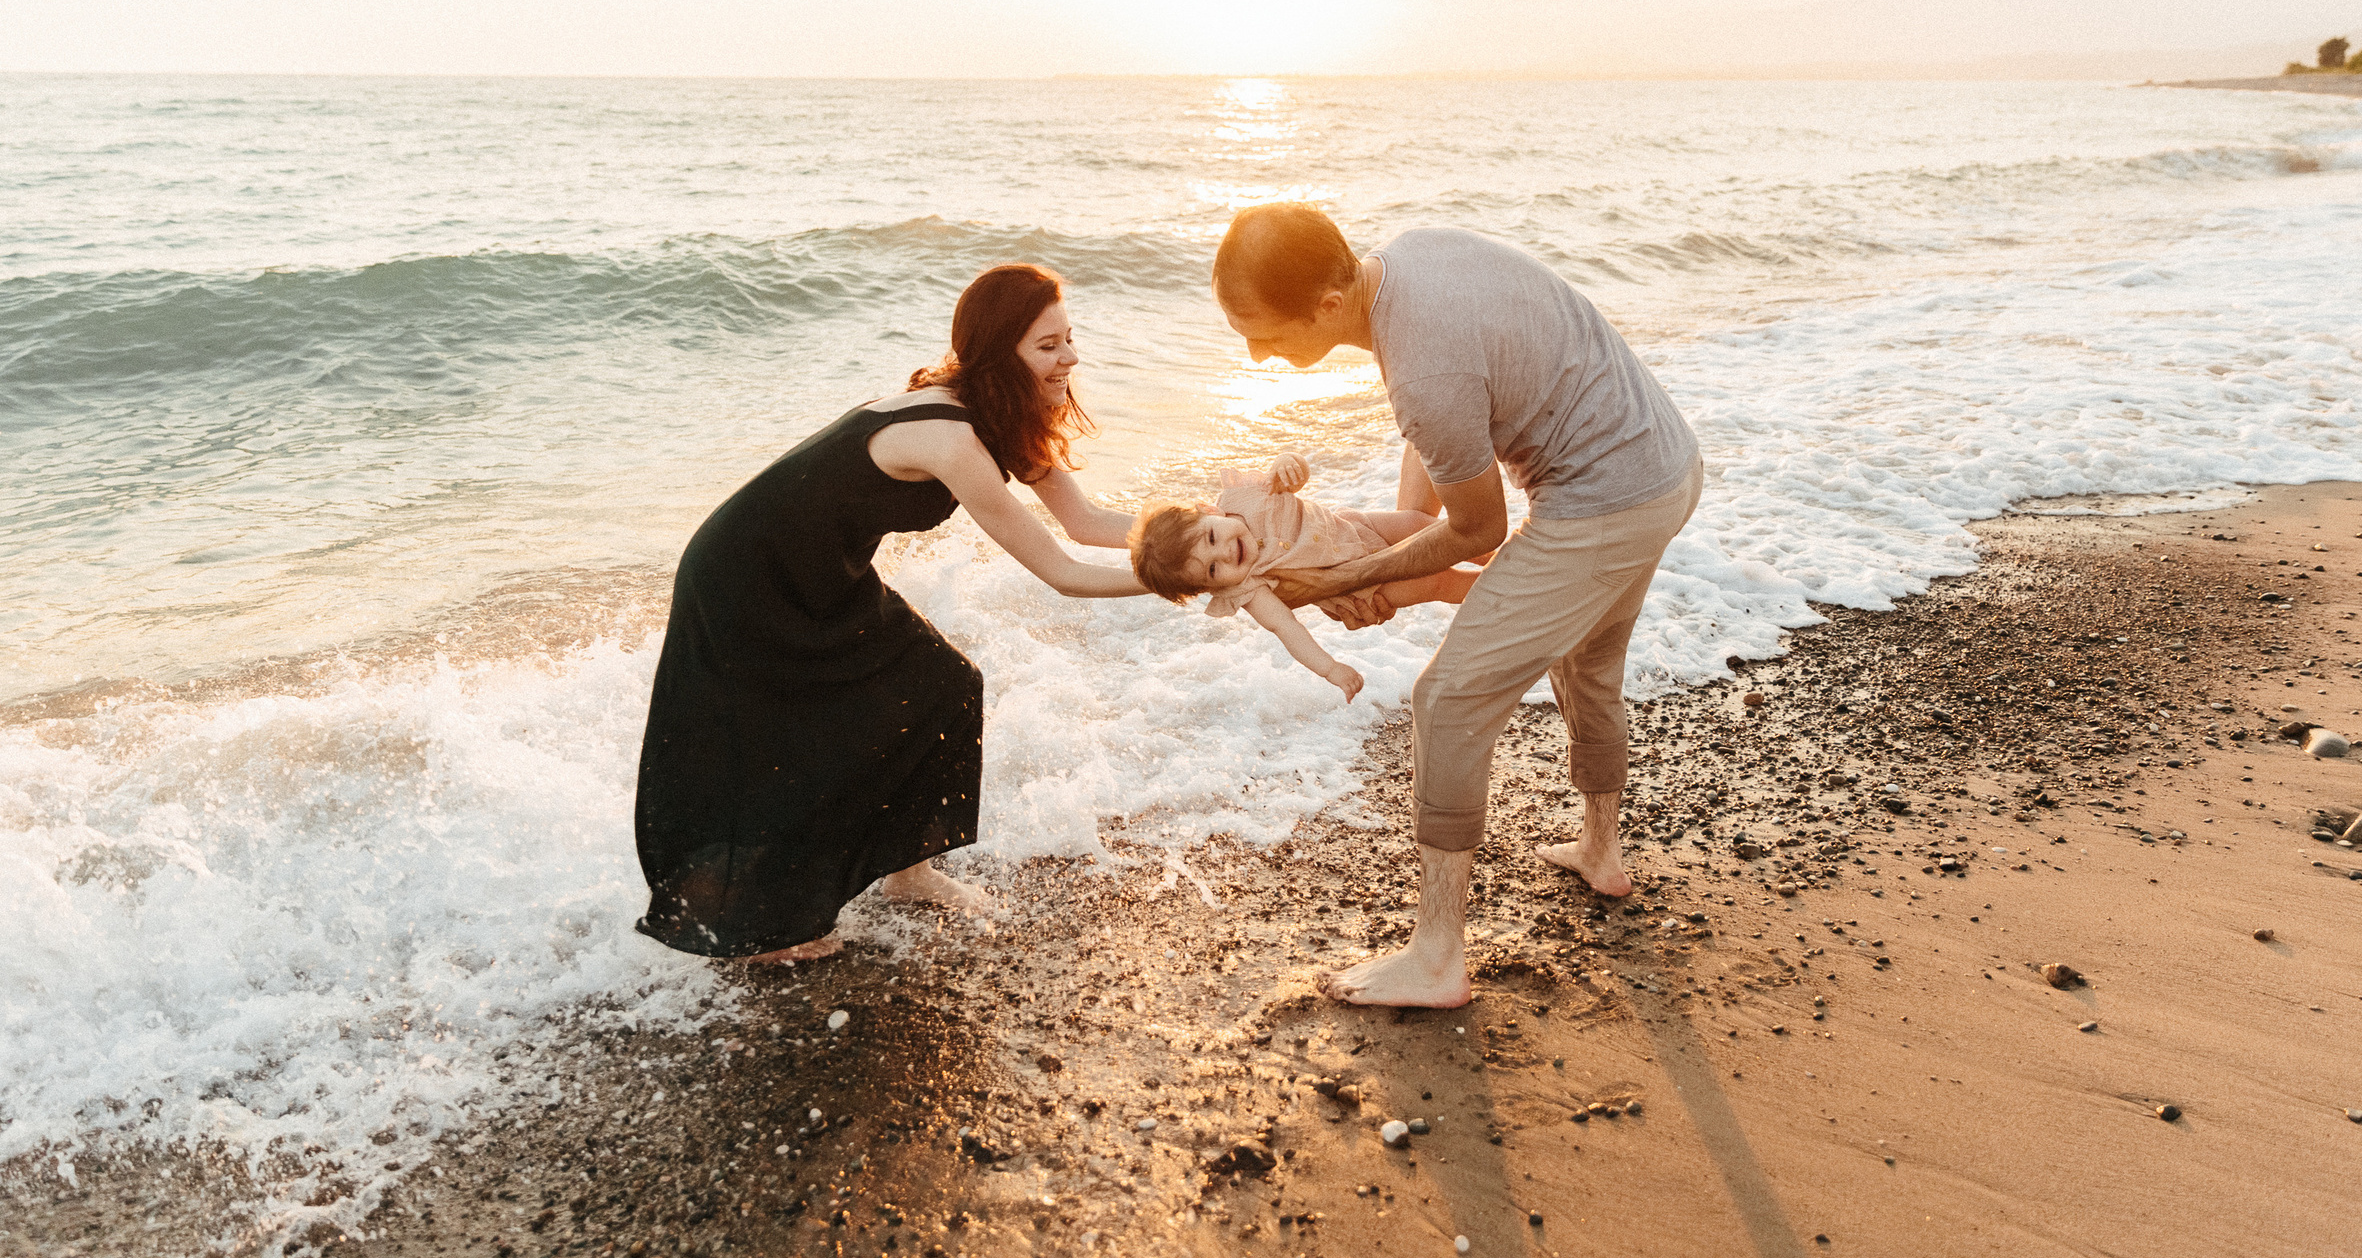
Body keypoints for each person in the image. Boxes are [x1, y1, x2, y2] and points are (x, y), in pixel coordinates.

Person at [1213, 204, 1702, 1008]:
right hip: (1665, 463)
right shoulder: (1408, 261)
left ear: (1328, 306)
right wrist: (1391, 558)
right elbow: (1442, 453)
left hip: (1606, 497)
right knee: (1590, 661)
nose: (1257, 353)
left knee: (1444, 701)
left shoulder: (1420, 371)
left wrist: (1341, 580)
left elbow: (1478, 527)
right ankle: (1600, 853)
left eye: (1263, 332)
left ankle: (1437, 956)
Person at [633, 264, 1147, 963]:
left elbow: (1085, 524)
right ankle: (757, 934)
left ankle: (909, 875)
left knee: (946, 686)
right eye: (1048, 346)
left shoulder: (1002, 415)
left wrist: (1205, 532)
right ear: (1001, 353)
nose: (1070, 358)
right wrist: (1180, 582)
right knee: (766, 743)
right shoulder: (953, 437)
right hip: (746, 572)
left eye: (1069, 338)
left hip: (825, 572)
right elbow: (1062, 572)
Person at [1126, 451, 1481, 702]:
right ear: (1209, 587)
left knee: (1422, 526)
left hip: (1355, 527)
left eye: (1212, 537)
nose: (1226, 552)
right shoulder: (1246, 586)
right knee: (1441, 583)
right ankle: (1503, 583)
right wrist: (1330, 669)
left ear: (1209, 510)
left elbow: (1292, 476)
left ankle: (1500, 549)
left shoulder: (1245, 494)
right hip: (1367, 587)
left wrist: (1290, 464)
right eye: (1213, 569)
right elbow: (1286, 628)